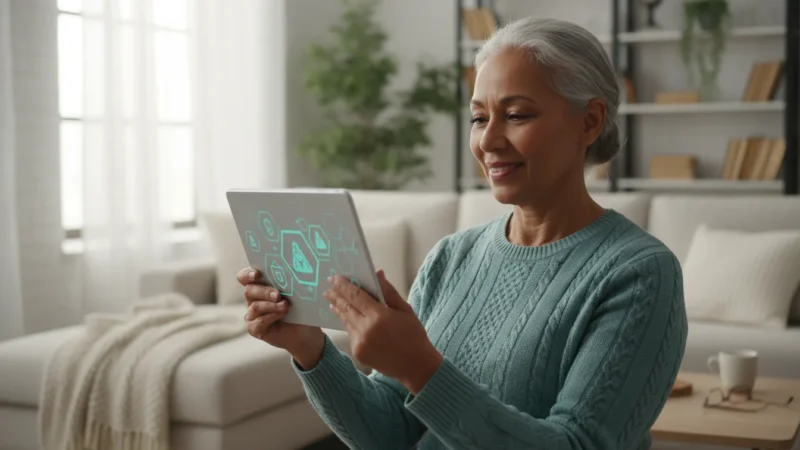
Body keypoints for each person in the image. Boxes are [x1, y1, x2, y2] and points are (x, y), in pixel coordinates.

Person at [239, 16, 687, 450]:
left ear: (589, 122)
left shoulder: (640, 273)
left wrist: (422, 368)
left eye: (515, 115)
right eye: (478, 118)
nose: (488, 141)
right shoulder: (451, 257)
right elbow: (390, 433)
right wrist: (311, 350)